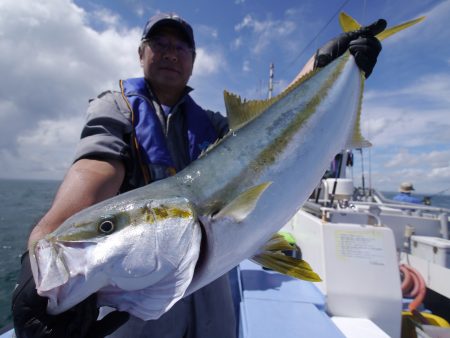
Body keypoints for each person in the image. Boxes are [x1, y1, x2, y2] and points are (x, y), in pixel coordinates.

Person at [11, 12, 384, 338]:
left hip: (212, 296)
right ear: (141, 54)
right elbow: (94, 169)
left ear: (193, 60)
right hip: (139, 315)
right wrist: (41, 250)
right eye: (159, 42)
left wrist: (324, 64)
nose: (171, 52)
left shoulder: (213, 126)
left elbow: (274, 122)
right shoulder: (117, 109)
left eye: (181, 46)